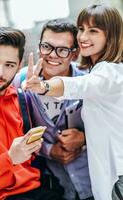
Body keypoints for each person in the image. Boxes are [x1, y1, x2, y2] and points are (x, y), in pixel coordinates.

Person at [22, 4, 123, 200]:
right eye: (82, 29)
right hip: (65, 184)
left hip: (116, 173)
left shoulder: (110, 72)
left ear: (110, 36)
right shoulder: (20, 82)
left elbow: (83, 85)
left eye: (93, 31)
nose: (84, 37)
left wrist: (44, 87)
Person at [0, 27, 62, 200]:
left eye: (9, 65)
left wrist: (30, 150)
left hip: (36, 189)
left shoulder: (19, 98)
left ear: (19, 66)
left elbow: (26, 159)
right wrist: (9, 158)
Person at [13, 19, 93, 200]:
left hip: (95, 181)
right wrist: (49, 150)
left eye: (63, 50)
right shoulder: (20, 82)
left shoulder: (88, 81)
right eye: (47, 47)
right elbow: (12, 133)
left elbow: (115, 126)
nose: (53, 55)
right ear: (40, 47)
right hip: (54, 187)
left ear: (74, 54)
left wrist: (85, 138)